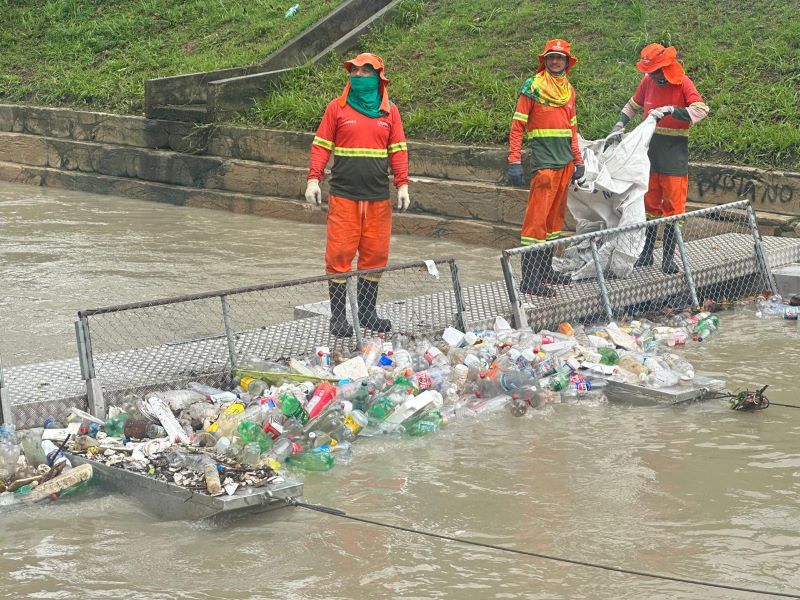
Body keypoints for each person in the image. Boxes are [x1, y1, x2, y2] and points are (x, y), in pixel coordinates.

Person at [305, 53, 410, 338]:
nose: (360, 75)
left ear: (379, 77)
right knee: (339, 254)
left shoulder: (390, 112)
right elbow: (321, 146)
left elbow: (398, 150)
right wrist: (313, 180)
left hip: (378, 197)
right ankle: (338, 318)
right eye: (355, 71)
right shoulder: (336, 109)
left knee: (375, 256)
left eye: (367, 71)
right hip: (344, 196)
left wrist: (402, 185)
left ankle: (366, 313)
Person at [608, 43, 709, 273]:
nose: (653, 76)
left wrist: (674, 110)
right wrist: (619, 124)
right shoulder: (647, 82)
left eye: (656, 72)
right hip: (649, 156)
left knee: (674, 209)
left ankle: (668, 258)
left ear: (666, 67)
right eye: (650, 72)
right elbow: (632, 106)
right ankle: (646, 254)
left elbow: (701, 109)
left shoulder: (683, 82)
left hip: (674, 158)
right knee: (649, 206)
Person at [507, 39, 585, 297]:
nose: (555, 61)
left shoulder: (569, 91)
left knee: (554, 222)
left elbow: (572, 130)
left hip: (565, 163)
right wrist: (514, 160)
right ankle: (529, 280)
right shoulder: (533, 86)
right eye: (551, 57)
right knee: (536, 223)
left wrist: (579, 161)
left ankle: (545, 270)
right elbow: (518, 126)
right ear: (545, 60)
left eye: (559, 58)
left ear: (566, 62)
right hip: (544, 164)